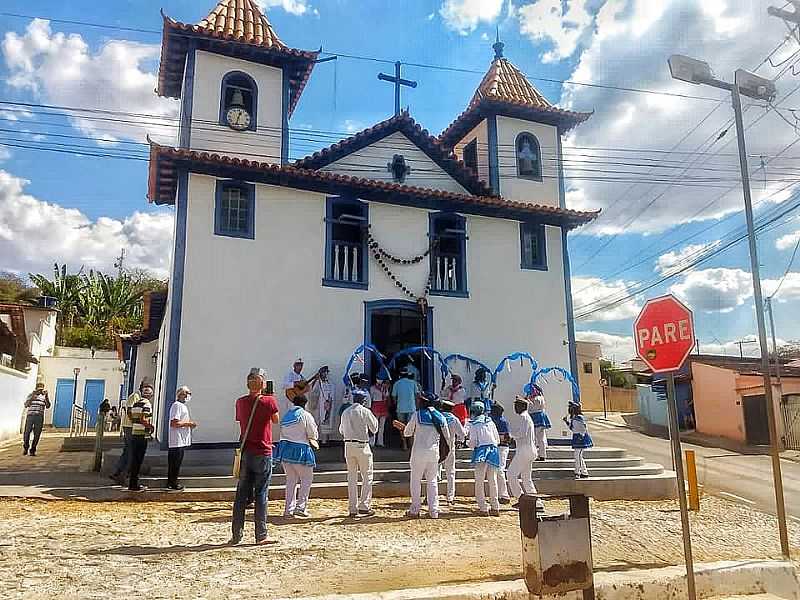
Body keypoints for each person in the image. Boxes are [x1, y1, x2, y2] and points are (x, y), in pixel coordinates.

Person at [231, 368, 280, 545]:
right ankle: (261, 534)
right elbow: (275, 420)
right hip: (263, 450)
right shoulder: (269, 401)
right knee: (261, 493)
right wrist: (270, 396)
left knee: (241, 495)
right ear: (263, 383)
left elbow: (241, 421)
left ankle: (236, 535)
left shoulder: (240, 402)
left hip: (246, 451)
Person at [394, 391, 449, 519]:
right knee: (432, 481)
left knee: (415, 481)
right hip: (433, 453)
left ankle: (415, 509)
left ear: (423, 402)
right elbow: (447, 437)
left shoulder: (417, 415)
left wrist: (403, 428)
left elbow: (407, 433)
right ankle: (434, 511)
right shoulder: (441, 417)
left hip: (418, 452)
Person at [274, 392, 319, 518]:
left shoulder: (286, 415)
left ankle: (288, 509)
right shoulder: (305, 415)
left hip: (285, 450)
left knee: (290, 481)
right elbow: (312, 433)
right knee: (306, 479)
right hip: (300, 449)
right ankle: (301, 507)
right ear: (305, 404)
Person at [339, 386, 379, 517]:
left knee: (351, 477)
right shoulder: (365, 411)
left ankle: (352, 508)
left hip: (348, 445)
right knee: (367, 476)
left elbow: (341, 430)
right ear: (363, 400)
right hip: (362, 446)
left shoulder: (345, 412)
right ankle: (364, 506)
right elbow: (374, 428)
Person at [111, 379, 151, 485]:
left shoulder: (139, 397)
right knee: (131, 451)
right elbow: (129, 411)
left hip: (132, 426)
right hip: (130, 426)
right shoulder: (135, 396)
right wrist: (135, 422)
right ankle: (123, 474)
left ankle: (119, 472)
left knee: (128, 450)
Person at [507, 396, 543, 509]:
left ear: (523, 406)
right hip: (529, 450)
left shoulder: (523, 417)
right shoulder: (526, 417)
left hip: (524, 450)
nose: (515, 408)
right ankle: (536, 503)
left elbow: (521, 433)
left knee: (511, 474)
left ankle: (521, 497)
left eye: (517, 405)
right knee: (526, 478)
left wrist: (511, 436)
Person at [466, 401, 501, 517]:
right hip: (494, 450)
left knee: (479, 480)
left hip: (481, 451)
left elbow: (473, 442)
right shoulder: (490, 422)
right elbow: (497, 439)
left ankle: (483, 507)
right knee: (493, 480)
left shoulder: (473, 424)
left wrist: (467, 443)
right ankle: (495, 507)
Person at [168, 386, 196, 491]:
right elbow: (174, 423)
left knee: (176, 463)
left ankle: (172, 482)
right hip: (177, 440)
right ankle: (173, 483)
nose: (189, 395)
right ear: (181, 394)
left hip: (181, 440)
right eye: (187, 393)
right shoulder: (177, 406)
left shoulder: (182, 406)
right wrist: (189, 424)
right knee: (175, 463)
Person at [127, 382, 154, 492]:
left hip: (134, 433)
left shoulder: (136, 404)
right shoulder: (147, 404)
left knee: (135, 460)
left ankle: (132, 483)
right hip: (142, 435)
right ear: (150, 395)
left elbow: (132, 418)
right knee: (138, 460)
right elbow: (144, 419)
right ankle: (134, 485)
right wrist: (150, 427)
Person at [439, 399, 466, 506]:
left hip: (438, 447)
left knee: (434, 472)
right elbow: (462, 434)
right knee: (450, 473)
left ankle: (430, 496)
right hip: (450, 447)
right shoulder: (454, 419)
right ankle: (450, 497)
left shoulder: (438, 417)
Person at [489, 403, 511, 505]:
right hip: (495, 447)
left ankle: (504, 494)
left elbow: (506, 438)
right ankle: (498, 494)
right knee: (496, 470)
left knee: (500, 470)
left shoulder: (502, 422)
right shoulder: (494, 421)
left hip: (502, 448)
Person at [391, 370, 418, 451]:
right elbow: (417, 395)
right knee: (412, 427)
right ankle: (411, 444)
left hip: (400, 408)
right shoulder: (413, 383)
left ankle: (404, 444)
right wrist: (416, 405)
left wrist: (396, 404)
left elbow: (393, 396)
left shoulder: (397, 383)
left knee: (401, 427)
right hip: (411, 408)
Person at [565, 401, 592, 479]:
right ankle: (584, 472)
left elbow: (583, 428)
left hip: (580, 438)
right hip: (577, 437)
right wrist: (567, 422)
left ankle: (578, 472)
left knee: (578, 456)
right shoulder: (574, 418)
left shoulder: (579, 418)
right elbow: (573, 429)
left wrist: (581, 435)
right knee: (578, 456)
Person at [310, 366, 335, 444]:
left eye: (326, 372)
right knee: (316, 422)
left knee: (326, 421)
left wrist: (329, 401)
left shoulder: (330, 383)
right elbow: (312, 391)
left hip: (327, 405)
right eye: (323, 373)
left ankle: (325, 440)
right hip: (318, 405)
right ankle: (316, 440)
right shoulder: (317, 383)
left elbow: (332, 393)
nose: (325, 374)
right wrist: (315, 380)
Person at [23, 382, 50, 456]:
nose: (40, 390)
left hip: (39, 417)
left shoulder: (44, 397)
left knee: (37, 434)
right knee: (27, 432)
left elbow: (48, 406)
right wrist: (32, 396)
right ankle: (26, 447)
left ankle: (33, 450)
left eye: (41, 388)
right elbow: (26, 405)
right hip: (30, 416)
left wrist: (46, 396)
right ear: (36, 389)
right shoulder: (31, 395)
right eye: (39, 388)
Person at [527, 384, 550, 461]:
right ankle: (542, 455)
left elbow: (530, 408)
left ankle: (534, 455)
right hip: (541, 418)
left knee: (533, 437)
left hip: (536, 418)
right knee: (541, 438)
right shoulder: (541, 398)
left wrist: (528, 399)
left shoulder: (535, 399)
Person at [369, 373, 390, 448]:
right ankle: (372, 442)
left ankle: (380, 442)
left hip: (383, 407)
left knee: (382, 426)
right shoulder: (372, 388)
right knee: (374, 425)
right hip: (375, 406)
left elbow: (387, 397)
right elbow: (370, 398)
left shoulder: (385, 388)